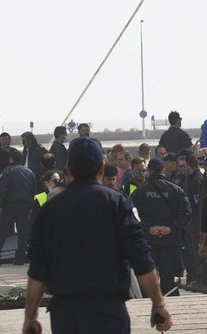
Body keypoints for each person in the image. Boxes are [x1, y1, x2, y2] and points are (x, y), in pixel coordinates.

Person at [24, 137, 172, 334]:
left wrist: (31, 316)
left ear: (68, 169)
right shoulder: (118, 204)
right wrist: (158, 304)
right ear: (102, 168)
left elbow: (38, 270)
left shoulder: (50, 209)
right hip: (108, 312)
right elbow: (142, 259)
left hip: (66, 315)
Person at [130, 157, 192, 297]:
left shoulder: (140, 191)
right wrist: (170, 228)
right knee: (169, 279)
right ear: (162, 170)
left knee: (147, 279)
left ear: (149, 171)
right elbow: (187, 213)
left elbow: (130, 214)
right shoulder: (176, 190)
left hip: (148, 242)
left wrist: (148, 228)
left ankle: (149, 306)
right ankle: (172, 308)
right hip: (170, 241)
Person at [0, 149, 36, 264]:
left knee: (3, 231)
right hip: (25, 205)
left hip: (10, 205)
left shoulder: (6, 172)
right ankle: (20, 257)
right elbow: (33, 190)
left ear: (11, 158)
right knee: (23, 232)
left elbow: (2, 190)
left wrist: (1, 205)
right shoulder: (29, 172)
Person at [179, 153, 207, 290]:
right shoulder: (189, 178)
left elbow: (197, 202)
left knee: (198, 250)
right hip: (191, 219)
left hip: (195, 220)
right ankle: (198, 278)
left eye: (184, 165)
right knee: (193, 251)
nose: (182, 168)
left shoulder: (196, 180)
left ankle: (202, 279)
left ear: (189, 165)